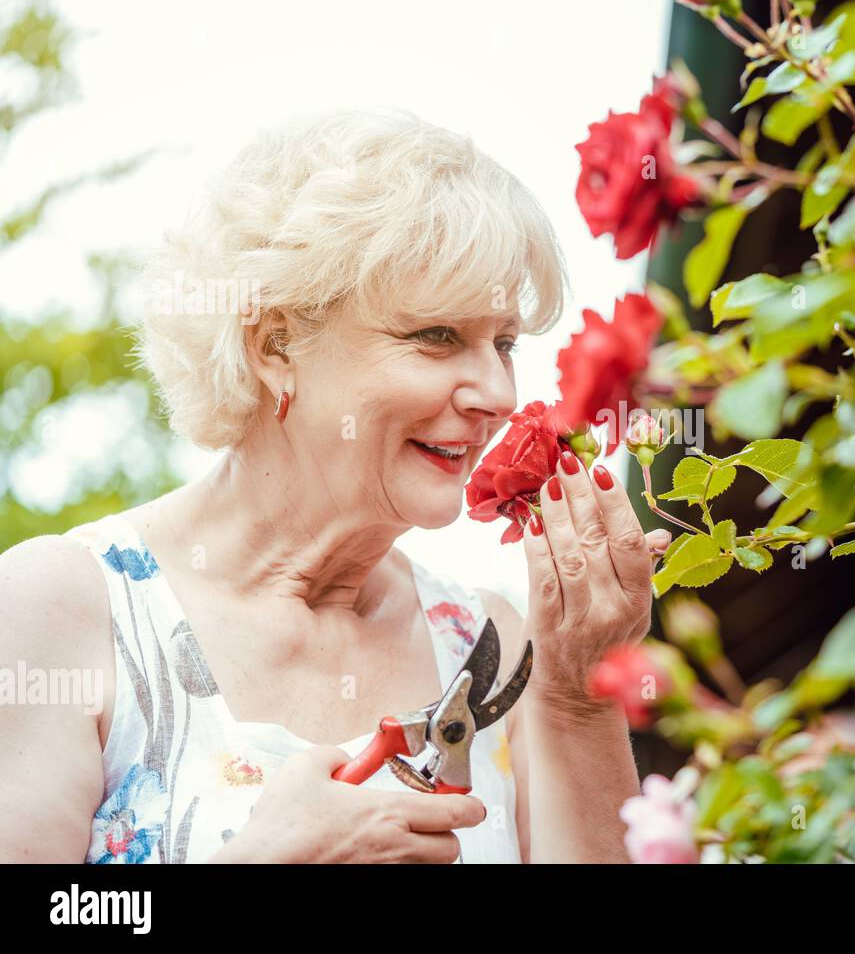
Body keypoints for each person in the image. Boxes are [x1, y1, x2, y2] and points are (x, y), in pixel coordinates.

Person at [0, 109, 669, 863]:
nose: (496, 390)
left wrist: (579, 695)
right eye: (437, 336)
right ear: (275, 345)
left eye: (504, 343)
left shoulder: (496, 644)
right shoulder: (59, 608)